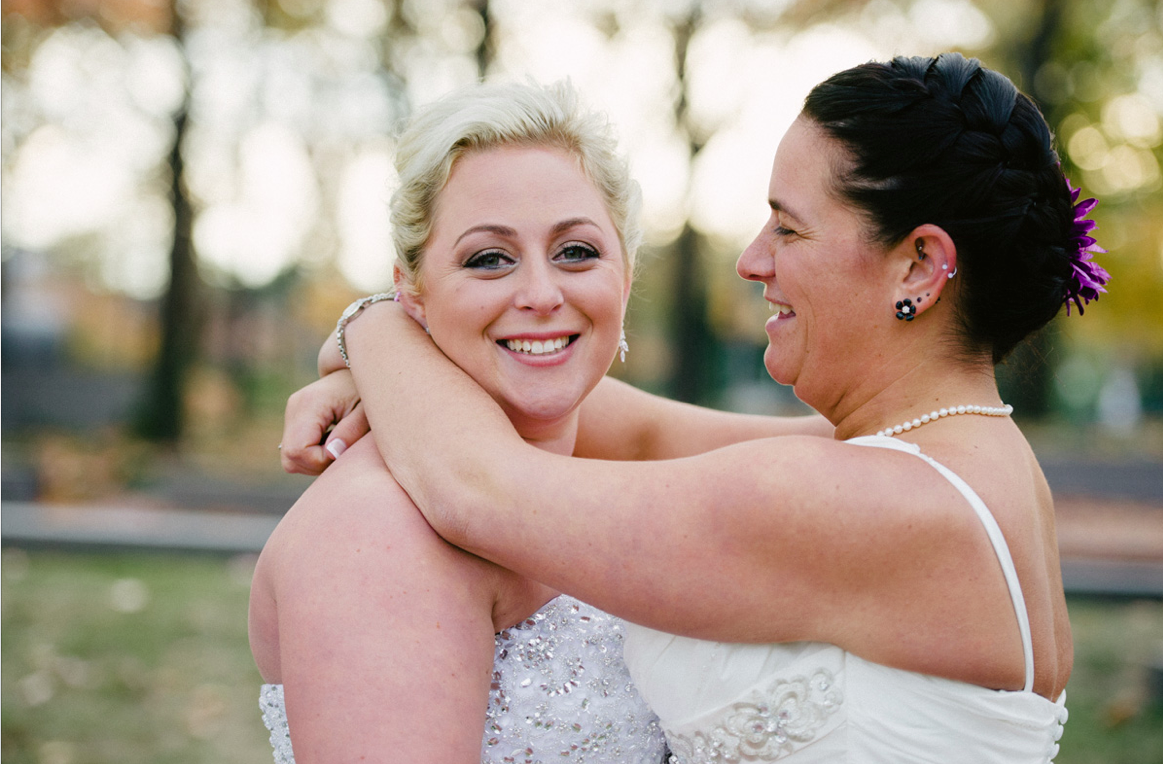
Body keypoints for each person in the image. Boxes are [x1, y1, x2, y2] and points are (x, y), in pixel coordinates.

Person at [296, 53, 1109, 762]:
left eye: (787, 230)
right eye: (489, 258)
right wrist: (415, 337)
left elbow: (480, 486)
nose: (751, 260)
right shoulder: (953, 460)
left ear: (919, 267)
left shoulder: (877, 504)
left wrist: (374, 326)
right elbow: (633, 425)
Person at [249, 80, 730, 763]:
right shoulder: (375, 531)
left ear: (625, 278)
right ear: (411, 296)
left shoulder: (597, 456)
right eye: (488, 260)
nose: (540, 294)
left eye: (575, 252)